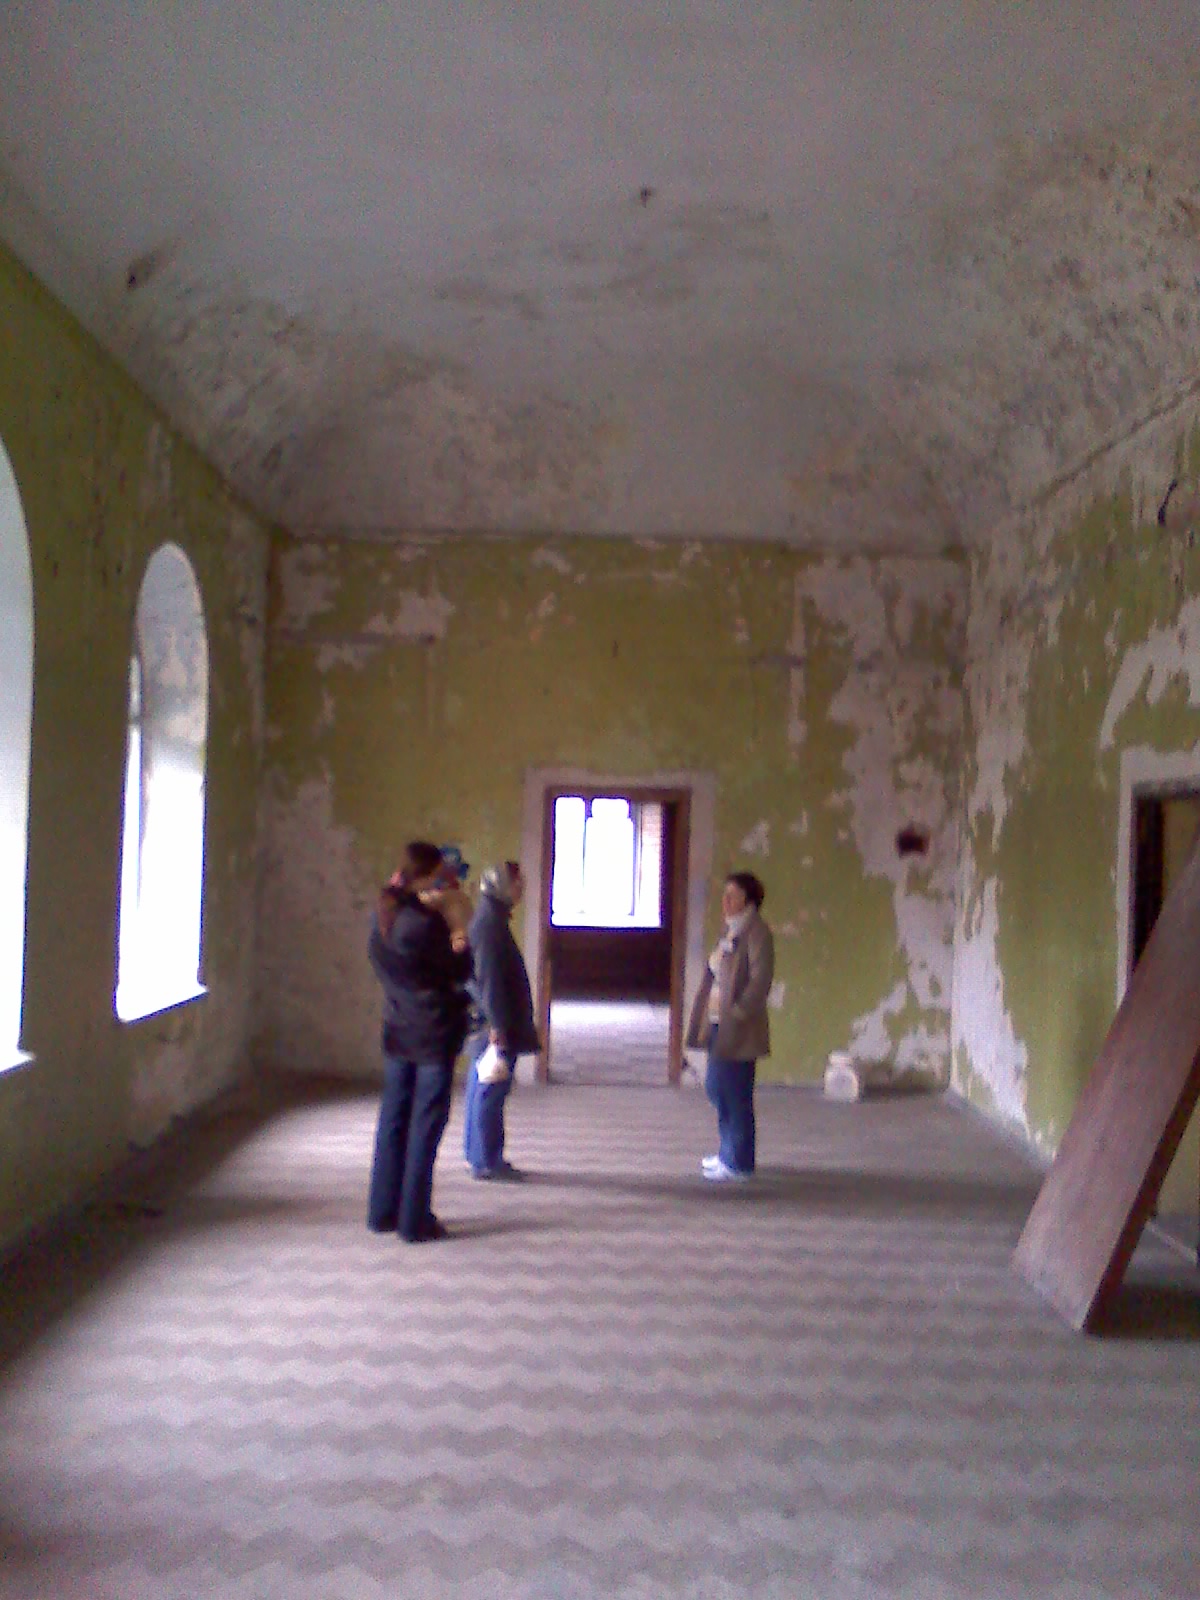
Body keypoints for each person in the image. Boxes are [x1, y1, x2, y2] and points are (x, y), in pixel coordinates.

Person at [366, 841, 471, 1242]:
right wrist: (458, 930)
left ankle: (382, 1213)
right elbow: (459, 970)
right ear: (427, 876)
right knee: (425, 1125)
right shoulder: (426, 925)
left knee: (393, 1120)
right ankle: (414, 1221)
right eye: (440, 874)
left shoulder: (383, 915)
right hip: (432, 1034)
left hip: (397, 1028)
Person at [685, 870, 775, 1182]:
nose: (725, 901)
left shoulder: (757, 932)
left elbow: (760, 981)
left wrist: (737, 1012)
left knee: (733, 1092)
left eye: (732, 896)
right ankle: (728, 1152)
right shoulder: (732, 928)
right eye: (725, 895)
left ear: (748, 900)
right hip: (717, 1022)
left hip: (738, 1028)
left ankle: (739, 1163)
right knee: (718, 1088)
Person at [462, 860, 541, 1180]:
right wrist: (498, 1025)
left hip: (489, 1021)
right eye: (516, 883)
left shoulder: (490, 919)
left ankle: (479, 1155)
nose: (521, 889)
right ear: (500, 886)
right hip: (493, 1024)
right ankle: (487, 1160)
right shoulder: (489, 925)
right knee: (490, 1090)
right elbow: (490, 980)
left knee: (483, 1086)